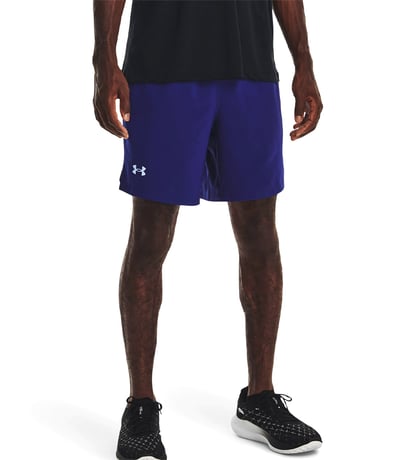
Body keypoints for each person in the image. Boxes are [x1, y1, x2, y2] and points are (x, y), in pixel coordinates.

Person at [92, 1, 323, 458]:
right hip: (162, 68)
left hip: (249, 69)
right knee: (150, 236)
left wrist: (304, 62)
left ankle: (259, 399)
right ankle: (141, 407)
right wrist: (104, 59)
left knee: (260, 233)